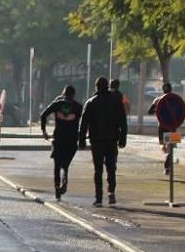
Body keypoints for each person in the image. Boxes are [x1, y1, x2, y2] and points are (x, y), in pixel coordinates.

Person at [79, 76, 127, 207]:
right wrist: (123, 138)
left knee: (98, 169)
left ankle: (98, 198)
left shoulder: (91, 102)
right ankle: (111, 192)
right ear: (107, 86)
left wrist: (81, 141)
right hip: (112, 140)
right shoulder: (116, 101)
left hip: (96, 141)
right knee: (111, 168)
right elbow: (123, 121)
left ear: (96, 87)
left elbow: (83, 124)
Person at [40, 85, 82, 200]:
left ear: (63, 93)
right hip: (72, 140)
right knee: (65, 164)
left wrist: (44, 131)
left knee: (57, 165)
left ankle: (57, 189)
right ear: (74, 95)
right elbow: (85, 121)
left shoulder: (57, 104)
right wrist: (83, 135)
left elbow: (43, 115)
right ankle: (65, 179)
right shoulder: (78, 107)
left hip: (58, 138)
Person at [147, 83, 175, 175]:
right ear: (171, 89)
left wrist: (158, 110)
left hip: (162, 127)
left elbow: (149, 112)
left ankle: (167, 163)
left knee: (163, 146)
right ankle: (167, 166)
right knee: (171, 147)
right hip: (172, 126)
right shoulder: (176, 100)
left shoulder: (157, 100)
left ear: (163, 90)